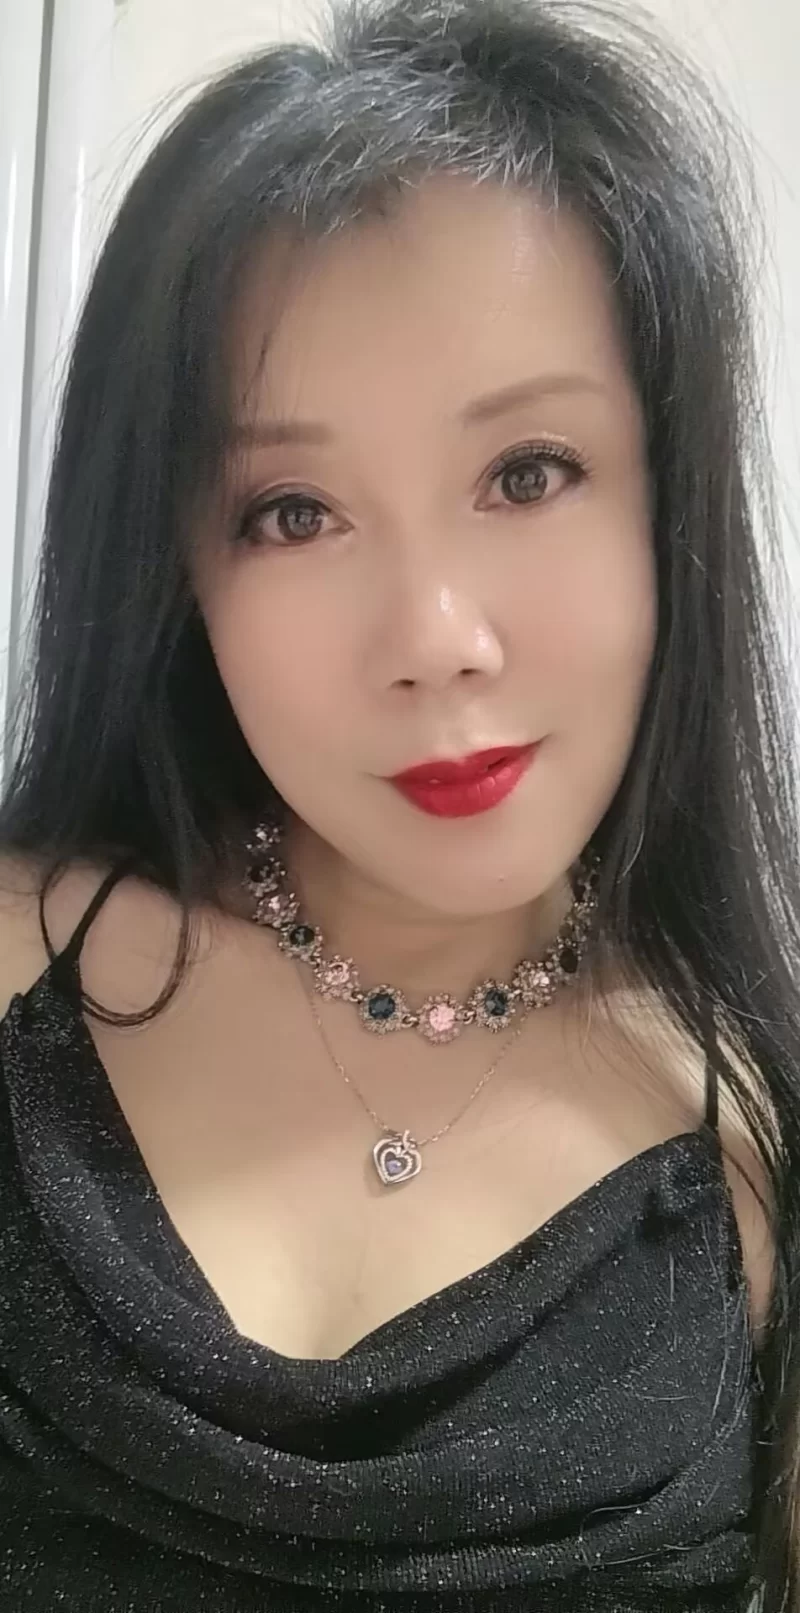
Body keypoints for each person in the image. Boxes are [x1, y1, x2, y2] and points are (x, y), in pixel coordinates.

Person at [0, 0, 798, 1605]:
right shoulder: (21, 957)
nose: (436, 640)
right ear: (176, 574)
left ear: (669, 502)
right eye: (293, 513)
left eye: (528, 472)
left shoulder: (744, 1157)